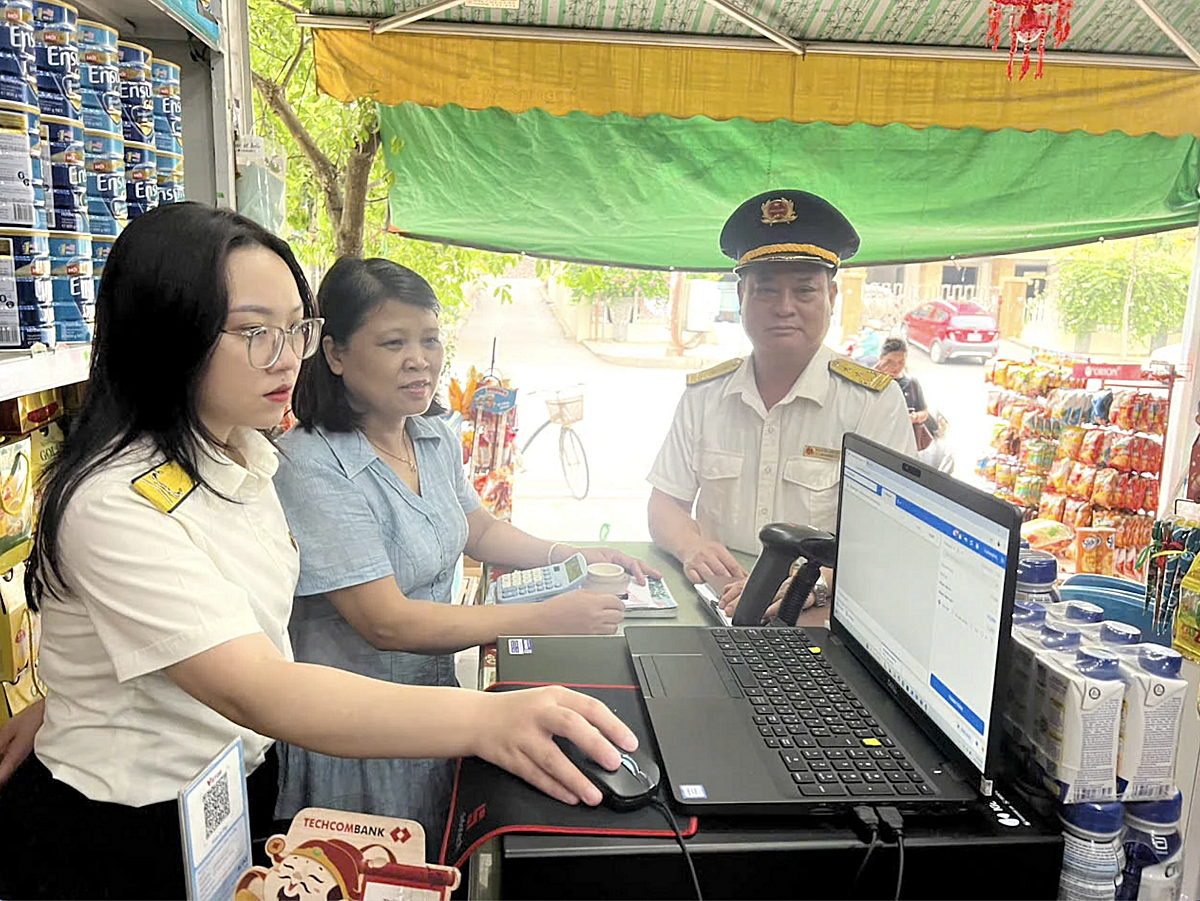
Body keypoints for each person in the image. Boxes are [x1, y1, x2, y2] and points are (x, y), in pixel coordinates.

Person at [0, 204, 636, 900]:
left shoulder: (245, 455)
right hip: (128, 825)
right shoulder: (116, 501)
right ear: (168, 330)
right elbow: (258, 685)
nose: (286, 356)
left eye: (295, 328)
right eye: (254, 331)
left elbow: (228, 630)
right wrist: (491, 718)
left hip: (235, 784)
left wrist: (68, 693)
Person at [271, 256, 655, 855]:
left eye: (430, 340)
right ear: (336, 353)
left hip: (439, 709)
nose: (419, 360)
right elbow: (386, 622)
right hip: (357, 734)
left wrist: (572, 553)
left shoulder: (430, 435)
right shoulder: (310, 464)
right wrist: (544, 618)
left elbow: (478, 528)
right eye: (394, 342)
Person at [646, 190, 916, 620]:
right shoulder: (705, 395)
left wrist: (817, 583)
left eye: (804, 290)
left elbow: (894, 536)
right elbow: (666, 503)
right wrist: (692, 547)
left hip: (817, 612)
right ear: (742, 296)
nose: (784, 308)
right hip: (717, 604)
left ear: (832, 297)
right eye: (766, 290)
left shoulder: (872, 403)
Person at [875, 336, 936, 435]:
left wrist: (914, 417)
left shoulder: (912, 383)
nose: (896, 366)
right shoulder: (873, 381)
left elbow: (924, 412)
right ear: (881, 358)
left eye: (901, 362)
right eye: (890, 362)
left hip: (905, 436)